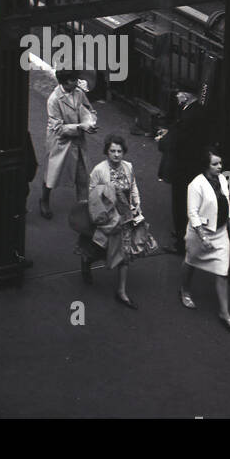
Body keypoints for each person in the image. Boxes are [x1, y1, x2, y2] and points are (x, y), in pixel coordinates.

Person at [180, 146, 230, 332]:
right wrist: (202, 236)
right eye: (215, 164)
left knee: (222, 271)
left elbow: (227, 204)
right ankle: (184, 290)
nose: (220, 167)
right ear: (206, 165)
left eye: (220, 163)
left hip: (220, 232)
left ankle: (224, 312)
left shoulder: (223, 178)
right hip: (200, 233)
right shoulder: (195, 185)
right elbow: (193, 213)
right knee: (191, 261)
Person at [83, 135, 144, 308]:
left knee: (124, 253)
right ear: (107, 152)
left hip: (124, 217)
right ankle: (86, 262)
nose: (116, 155)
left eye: (119, 151)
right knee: (100, 249)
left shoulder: (128, 167)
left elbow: (133, 187)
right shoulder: (99, 170)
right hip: (107, 217)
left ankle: (121, 291)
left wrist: (137, 205)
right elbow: (92, 195)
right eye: (112, 151)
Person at [156, 88, 210, 247]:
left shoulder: (188, 116)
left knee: (180, 203)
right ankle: (185, 233)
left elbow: (176, 141)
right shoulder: (197, 111)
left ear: (186, 95)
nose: (177, 97)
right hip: (194, 164)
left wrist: (162, 140)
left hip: (183, 167)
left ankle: (182, 240)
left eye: (179, 94)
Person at [40, 70, 97, 218]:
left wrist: (90, 121)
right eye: (73, 80)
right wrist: (79, 127)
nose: (76, 82)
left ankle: (83, 207)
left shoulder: (78, 92)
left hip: (77, 139)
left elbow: (88, 109)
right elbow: (58, 128)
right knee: (52, 173)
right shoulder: (54, 100)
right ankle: (44, 200)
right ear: (64, 82)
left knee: (82, 174)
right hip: (60, 141)